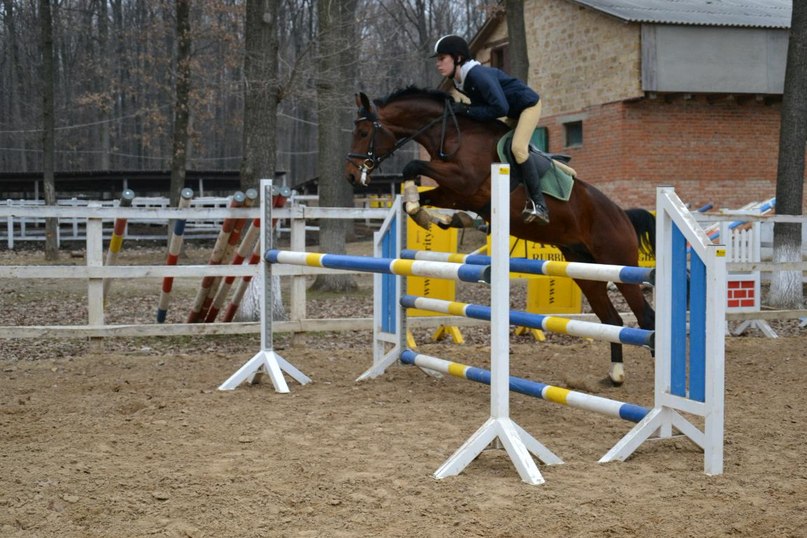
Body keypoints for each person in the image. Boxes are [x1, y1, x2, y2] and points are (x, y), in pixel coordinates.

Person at [431, 34, 549, 224]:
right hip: (511, 110)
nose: (438, 64)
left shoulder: (477, 75)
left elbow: (499, 108)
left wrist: (466, 109)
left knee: (518, 149)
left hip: (527, 107)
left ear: (458, 58)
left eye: (442, 58)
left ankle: (539, 205)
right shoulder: (459, 80)